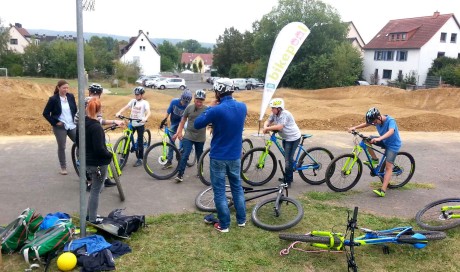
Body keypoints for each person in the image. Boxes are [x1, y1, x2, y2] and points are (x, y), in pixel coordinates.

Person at [195, 78, 247, 233]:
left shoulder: (215, 109)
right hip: (235, 155)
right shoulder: (242, 107)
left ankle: (224, 225)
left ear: (218, 92)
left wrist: (209, 108)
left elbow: (198, 124)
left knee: (219, 191)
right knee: (237, 187)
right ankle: (241, 220)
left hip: (219, 156)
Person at [75, 83, 123, 188]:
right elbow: (95, 119)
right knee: (85, 153)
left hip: (92, 127)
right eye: (94, 93)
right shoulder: (86, 102)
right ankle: (88, 180)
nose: (95, 96)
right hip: (83, 129)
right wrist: (114, 121)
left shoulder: (97, 103)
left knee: (101, 149)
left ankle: (104, 178)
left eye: (97, 94)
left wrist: (112, 122)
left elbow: (99, 119)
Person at [348, 107, 402, 197]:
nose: (374, 124)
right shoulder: (375, 120)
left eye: (375, 122)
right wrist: (355, 127)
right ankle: (374, 159)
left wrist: (379, 138)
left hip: (393, 145)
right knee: (366, 140)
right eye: (373, 123)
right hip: (384, 141)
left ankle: (383, 190)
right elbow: (366, 124)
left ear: (379, 117)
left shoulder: (390, 120)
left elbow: (391, 131)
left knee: (388, 167)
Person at [76, 98, 112, 224]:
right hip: (98, 163)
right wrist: (109, 155)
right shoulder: (96, 127)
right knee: (96, 189)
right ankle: (92, 218)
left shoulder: (82, 123)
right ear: (99, 109)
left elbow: (78, 142)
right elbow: (99, 149)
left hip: (87, 161)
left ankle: (89, 214)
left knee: (94, 189)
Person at [262, 98, 301, 188]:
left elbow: (279, 127)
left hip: (293, 138)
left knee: (288, 160)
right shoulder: (274, 114)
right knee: (288, 158)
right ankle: (290, 172)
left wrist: (267, 128)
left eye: (273, 108)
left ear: (279, 108)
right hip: (286, 138)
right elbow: (267, 121)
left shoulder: (285, 114)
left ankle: (288, 182)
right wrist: (265, 126)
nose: (271, 110)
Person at [172, 89, 208, 182]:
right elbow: (183, 120)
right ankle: (180, 174)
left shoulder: (206, 109)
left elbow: (211, 120)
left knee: (200, 155)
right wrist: (179, 132)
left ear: (203, 101)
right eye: (197, 101)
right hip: (189, 135)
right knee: (185, 154)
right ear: (194, 100)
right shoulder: (189, 108)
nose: (199, 103)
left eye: (201, 101)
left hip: (200, 137)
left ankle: (200, 172)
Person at [43, 79, 77, 175]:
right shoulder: (53, 99)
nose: (66, 90)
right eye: (63, 88)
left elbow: (75, 109)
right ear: (58, 88)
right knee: (62, 147)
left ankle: (81, 163)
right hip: (60, 127)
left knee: (80, 143)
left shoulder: (71, 97)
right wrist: (55, 122)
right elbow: (45, 113)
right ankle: (63, 167)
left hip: (72, 125)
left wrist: (77, 121)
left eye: (67, 88)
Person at [115, 86, 151, 167]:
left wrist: (145, 118)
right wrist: (119, 112)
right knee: (127, 138)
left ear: (142, 95)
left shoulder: (145, 103)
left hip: (140, 124)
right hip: (132, 122)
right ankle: (123, 157)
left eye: (138, 95)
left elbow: (149, 112)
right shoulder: (133, 101)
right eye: (136, 94)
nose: (136, 96)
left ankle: (140, 159)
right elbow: (125, 107)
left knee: (140, 141)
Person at [159, 89, 193, 169]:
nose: (184, 103)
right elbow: (168, 112)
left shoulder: (188, 106)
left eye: (186, 102)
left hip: (183, 123)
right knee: (171, 142)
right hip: (174, 123)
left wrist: (179, 132)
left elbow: (186, 119)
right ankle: (169, 161)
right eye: (184, 101)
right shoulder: (174, 102)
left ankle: (184, 150)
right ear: (181, 98)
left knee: (183, 136)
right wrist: (163, 120)